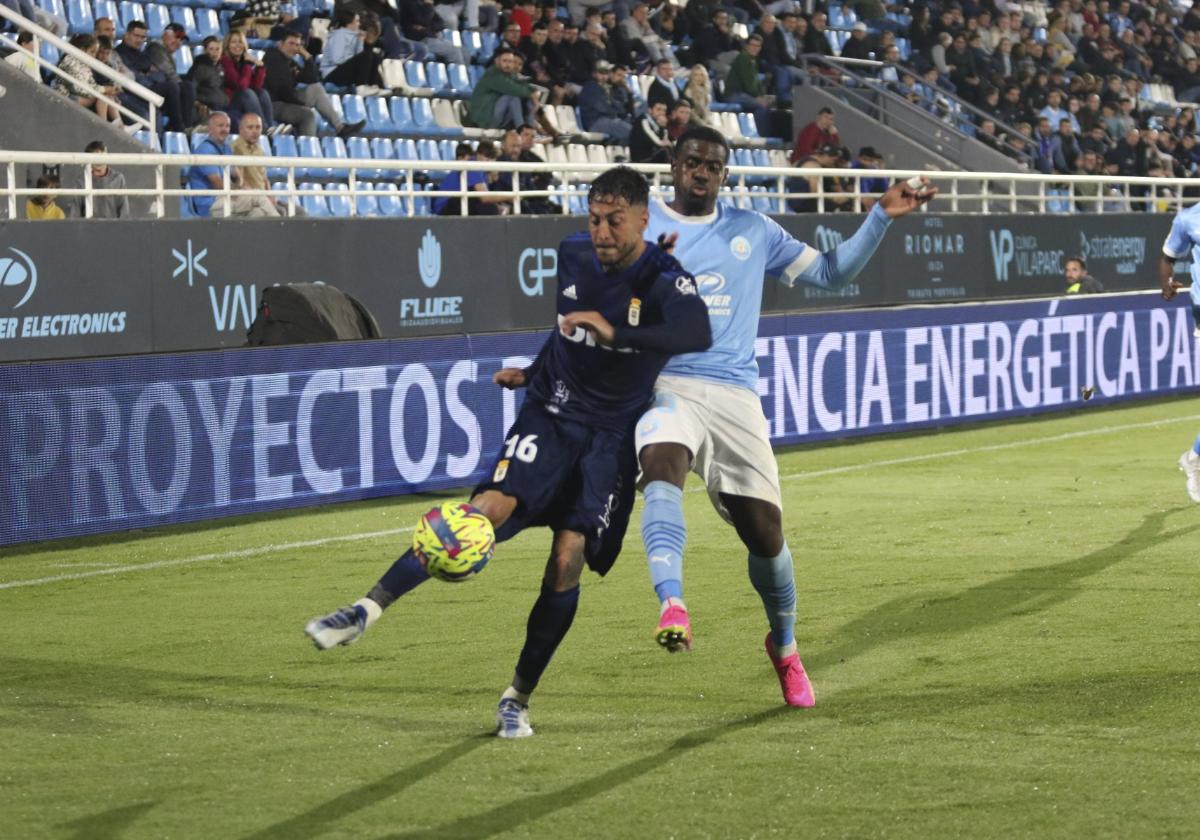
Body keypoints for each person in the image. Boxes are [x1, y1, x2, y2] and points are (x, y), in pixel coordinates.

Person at [304, 166, 713, 739]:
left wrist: (619, 333)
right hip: (551, 415)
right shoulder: (572, 255)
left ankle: (517, 698)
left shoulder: (667, 279)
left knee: (566, 559)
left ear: (643, 219)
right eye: (595, 218)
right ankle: (363, 611)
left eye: (615, 221)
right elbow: (563, 330)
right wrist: (534, 370)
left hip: (611, 441)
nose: (601, 231)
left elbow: (697, 335)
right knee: (484, 510)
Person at [636, 126, 934, 707]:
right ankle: (672, 601)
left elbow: (831, 273)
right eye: (692, 161)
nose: (701, 172)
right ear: (673, 165)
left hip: (734, 394)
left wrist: (881, 215)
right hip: (666, 381)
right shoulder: (640, 223)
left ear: (725, 175)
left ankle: (786, 646)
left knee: (765, 534)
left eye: (713, 166)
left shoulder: (753, 229)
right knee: (660, 464)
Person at [1158, 211, 1200, 504]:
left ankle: (1194, 456)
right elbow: (1167, 256)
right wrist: (1167, 283)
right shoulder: (1188, 219)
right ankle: (1195, 458)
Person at [264, 30, 364, 138]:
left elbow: (312, 79)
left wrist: (307, 57)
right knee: (308, 114)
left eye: (297, 45)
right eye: (291, 43)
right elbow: (281, 89)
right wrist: (300, 103)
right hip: (273, 104)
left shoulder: (290, 62)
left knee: (316, 89)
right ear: (280, 44)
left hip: (286, 100)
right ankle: (309, 148)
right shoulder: (272, 58)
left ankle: (340, 127)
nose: (294, 48)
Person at [52, 34, 121, 125]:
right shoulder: (70, 61)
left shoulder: (84, 64)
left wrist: (106, 90)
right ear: (82, 50)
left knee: (106, 96)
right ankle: (105, 126)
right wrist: (104, 89)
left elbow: (91, 84)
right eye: (92, 52)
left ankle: (120, 126)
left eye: (95, 53)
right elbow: (78, 89)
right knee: (103, 96)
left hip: (80, 95)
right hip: (67, 97)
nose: (94, 56)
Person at [231, 113, 289, 218]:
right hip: (250, 200)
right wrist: (262, 199)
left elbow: (264, 178)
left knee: (299, 211)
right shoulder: (236, 148)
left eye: (258, 127)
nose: (255, 131)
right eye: (250, 127)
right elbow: (240, 181)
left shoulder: (259, 149)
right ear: (241, 129)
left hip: (263, 197)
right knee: (281, 213)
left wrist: (270, 196)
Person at [468, 48, 541, 131]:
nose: (508, 64)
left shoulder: (508, 74)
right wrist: (532, 95)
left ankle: (530, 128)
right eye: (505, 61)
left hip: (497, 116)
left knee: (527, 99)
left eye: (510, 61)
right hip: (484, 119)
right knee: (512, 96)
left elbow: (527, 86)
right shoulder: (492, 75)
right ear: (497, 61)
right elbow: (513, 89)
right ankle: (521, 129)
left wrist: (535, 93)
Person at [187, 111, 240, 217]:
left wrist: (242, 189)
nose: (225, 130)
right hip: (209, 204)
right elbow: (218, 184)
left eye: (227, 126)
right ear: (209, 129)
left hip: (226, 198)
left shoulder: (227, 148)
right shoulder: (204, 150)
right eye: (220, 126)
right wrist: (240, 194)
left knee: (258, 208)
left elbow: (238, 176)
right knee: (256, 201)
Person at [221, 30, 275, 131]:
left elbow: (256, 86)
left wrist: (260, 68)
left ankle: (270, 128)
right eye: (233, 42)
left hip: (244, 99)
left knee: (262, 92)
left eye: (240, 42)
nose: (238, 45)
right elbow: (240, 87)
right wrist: (248, 65)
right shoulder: (225, 61)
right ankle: (263, 129)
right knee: (247, 93)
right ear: (227, 45)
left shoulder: (243, 62)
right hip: (231, 102)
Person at [578, 59, 633, 142]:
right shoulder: (590, 87)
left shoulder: (607, 88)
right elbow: (602, 108)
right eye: (601, 73)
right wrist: (614, 109)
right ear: (594, 73)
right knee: (631, 131)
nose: (604, 76)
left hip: (608, 119)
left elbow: (621, 109)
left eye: (606, 73)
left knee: (633, 125)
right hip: (595, 121)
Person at [74, 140, 129, 219]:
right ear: (88, 160)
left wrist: (122, 228)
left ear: (106, 153)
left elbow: (124, 211)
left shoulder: (118, 178)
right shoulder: (81, 181)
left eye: (100, 156)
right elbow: (75, 212)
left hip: (113, 228)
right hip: (88, 229)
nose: (98, 161)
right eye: (95, 157)